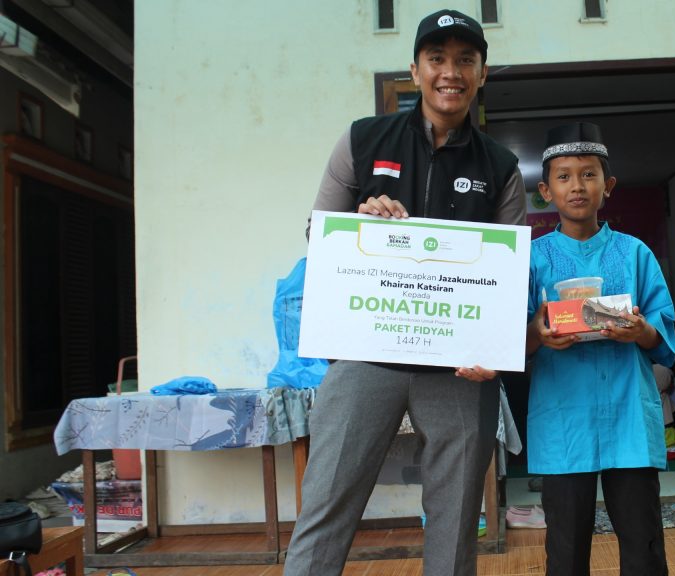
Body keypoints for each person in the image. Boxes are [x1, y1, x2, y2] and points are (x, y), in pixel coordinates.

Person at [285, 10, 526, 576]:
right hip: (365, 357)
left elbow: (512, 278)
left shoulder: (501, 166)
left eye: (465, 60)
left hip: (459, 371)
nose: (451, 72)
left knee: (456, 518)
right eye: (437, 59)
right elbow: (320, 236)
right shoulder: (362, 140)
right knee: (326, 504)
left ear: (482, 73)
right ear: (415, 70)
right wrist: (362, 221)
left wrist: (494, 349)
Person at [525, 122, 675, 576]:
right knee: (566, 550)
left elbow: (663, 335)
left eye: (588, 174)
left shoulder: (635, 254)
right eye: (564, 176)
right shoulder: (532, 259)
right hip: (563, 420)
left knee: (643, 545)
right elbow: (513, 342)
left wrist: (640, 331)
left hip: (627, 415)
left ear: (607, 186)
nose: (577, 186)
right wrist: (538, 333)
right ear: (546, 190)